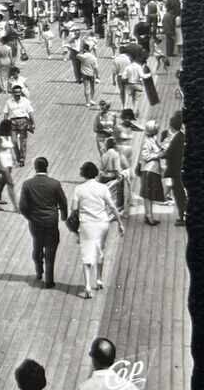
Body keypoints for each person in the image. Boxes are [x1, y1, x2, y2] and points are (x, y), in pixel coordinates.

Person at [71, 161, 125, 299]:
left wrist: (76, 230)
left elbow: (74, 210)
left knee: (87, 254)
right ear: (95, 173)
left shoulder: (79, 189)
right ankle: (99, 280)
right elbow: (112, 206)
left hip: (87, 225)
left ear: (83, 173)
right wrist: (120, 223)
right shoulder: (103, 188)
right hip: (102, 223)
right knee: (100, 251)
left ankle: (88, 286)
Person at [18, 156, 67, 289]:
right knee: (50, 251)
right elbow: (63, 202)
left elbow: (22, 206)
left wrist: (30, 217)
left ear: (35, 168)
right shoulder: (55, 184)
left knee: (37, 246)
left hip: (35, 223)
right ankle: (49, 281)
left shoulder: (27, 184)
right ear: (47, 167)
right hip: (51, 222)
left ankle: (39, 270)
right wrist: (64, 216)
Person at [138, 120, 166, 226]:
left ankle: (148, 214)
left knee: (149, 194)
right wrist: (158, 154)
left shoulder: (152, 140)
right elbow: (146, 156)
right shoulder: (147, 142)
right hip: (149, 170)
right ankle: (149, 216)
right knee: (148, 195)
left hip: (152, 170)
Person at [1, 83, 35, 166]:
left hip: (23, 121)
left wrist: (33, 122)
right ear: (12, 93)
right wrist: (5, 123)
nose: (17, 94)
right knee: (14, 141)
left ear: (21, 92)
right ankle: (18, 156)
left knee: (23, 142)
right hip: (13, 122)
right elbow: (5, 113)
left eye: (19, 92)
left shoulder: (25, 101)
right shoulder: (9, 102)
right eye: (15, 92)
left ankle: (22, 158)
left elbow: (30, 112)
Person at [163, 110, 186, 226]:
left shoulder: (177, 138)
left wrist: (159, 153)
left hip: (176, 172)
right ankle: (183, 216)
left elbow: (168, 153)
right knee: (181, 194)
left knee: (179, 195)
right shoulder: (182, 136)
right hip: (180, 169)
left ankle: (183, 217)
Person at [0, 120, 20, 209]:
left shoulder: (8, 137)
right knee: (11, 184)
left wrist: (14, 160)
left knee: (2, 183)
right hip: (2, 163)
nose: (12, 130)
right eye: (11, 128)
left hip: (8, 162)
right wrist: (2, 166)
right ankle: (16, 206)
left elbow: (10, 150)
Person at [77, 41, 100, 107]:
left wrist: (81, 51)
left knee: (86, 87)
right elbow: (96, 68)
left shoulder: (82, 56)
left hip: (84, 74)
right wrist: (98, 76)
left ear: (84, 49)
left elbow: (77, 55)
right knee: (92, 87)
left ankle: (87, 102)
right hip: (91, 73)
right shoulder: (93, 57)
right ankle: (92, 99)